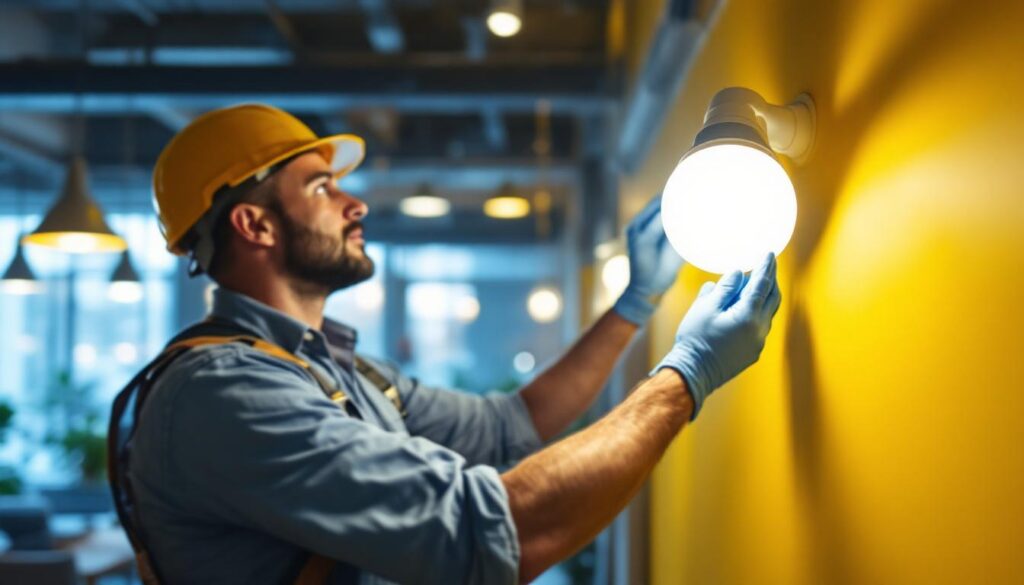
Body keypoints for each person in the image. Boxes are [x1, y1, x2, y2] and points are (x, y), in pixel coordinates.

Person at [108, 104, 781, 585]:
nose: (355, 204)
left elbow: (511, 425)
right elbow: (490, 534)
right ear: (254, 223)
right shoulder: (225, 394)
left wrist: (634, 306)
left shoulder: (340, 370)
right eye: (321, 186)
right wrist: (684, 376)